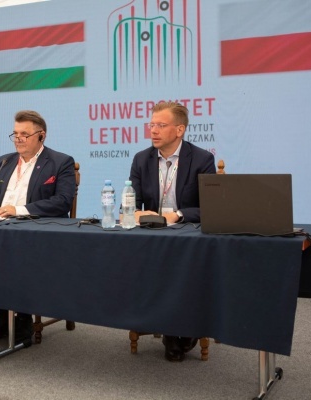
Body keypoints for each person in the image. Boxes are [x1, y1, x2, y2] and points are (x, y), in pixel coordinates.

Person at [0, 110, 77, 343]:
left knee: (15, 253)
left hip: (34, 230)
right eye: (15, 134)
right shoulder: (4, 161)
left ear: (41, 136)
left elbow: (62, 201)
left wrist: (18, 209)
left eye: (24, 134)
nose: (18, 139)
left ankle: (22, 318)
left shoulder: (60, 162)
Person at [129, 101, 216, 361]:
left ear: (179, 130)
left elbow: (210, 208)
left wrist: (177, 215)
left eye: (161, 125)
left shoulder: (202, 159)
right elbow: (131, 200)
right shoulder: (141, 159)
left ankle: (180, 328)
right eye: (151, 124)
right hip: (152, 234)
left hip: (187, 232)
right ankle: (169, 326)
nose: (153, 130)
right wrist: (133, 212)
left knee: (180, 265)